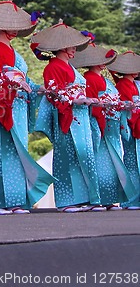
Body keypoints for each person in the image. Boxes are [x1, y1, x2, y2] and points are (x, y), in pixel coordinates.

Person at [0, 1, 55, 215]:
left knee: (16, 152)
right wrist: (13, 82)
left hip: (18, 106)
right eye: (10, 25)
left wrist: (35, 87)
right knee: (0, 152)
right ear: (0, 27)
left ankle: (15, 201)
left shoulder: (11, 51)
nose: (14, 30)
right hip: (4, 105)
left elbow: (20, 79)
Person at [31, 22, 102, 212]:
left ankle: (86, 198)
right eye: (72, 46)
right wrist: (74, 100)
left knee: (83, 157)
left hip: (80, 117)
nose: (74, 49)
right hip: (67, 116)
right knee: (66, 159)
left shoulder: (70, 67)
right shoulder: (53, 67)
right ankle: (66, 201)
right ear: (63, 47)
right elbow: (54, 93)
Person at [70, 43, 137, 210]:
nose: (103, 62)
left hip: (111, 122)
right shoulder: (89, 78)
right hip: (100, 122)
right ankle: (99, 198)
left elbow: (114, 100)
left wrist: (121, 105)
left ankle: (109, 199)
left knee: (111, 163)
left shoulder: (105, 80)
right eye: (99, 60)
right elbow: (92, 102)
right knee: (100, 162)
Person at [107, 51, 140, 210]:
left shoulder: (132, 84)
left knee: (135, 163)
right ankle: (130, 200)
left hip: (136, 122)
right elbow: (127, 108)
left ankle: (135, 199)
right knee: (132, 164)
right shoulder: (122, 85)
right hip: (131, 125)